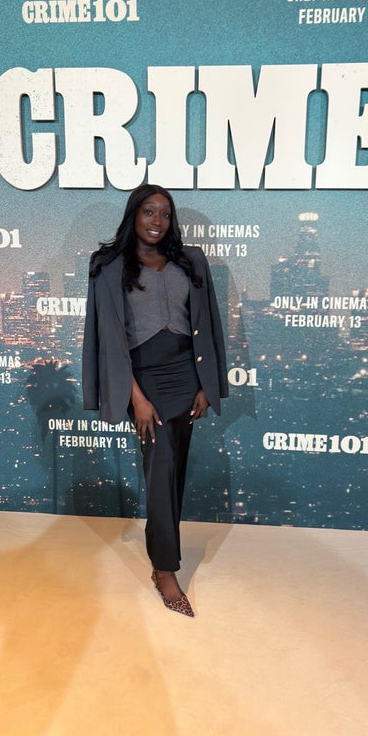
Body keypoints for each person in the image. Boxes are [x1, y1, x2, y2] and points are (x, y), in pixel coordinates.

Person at [82, 184, 229, 617]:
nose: (157, 221)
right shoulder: (107, 265)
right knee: (162, 466)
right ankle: (165, 570)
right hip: (144, 380)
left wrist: (206, 384)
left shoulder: (192, 261)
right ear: (134, 215)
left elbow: (209, 323)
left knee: (172, 470)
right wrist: (137, 399)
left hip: (187, 376)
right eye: (149, 211)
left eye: (165, 213)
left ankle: (162, 551)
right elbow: (108, 337)